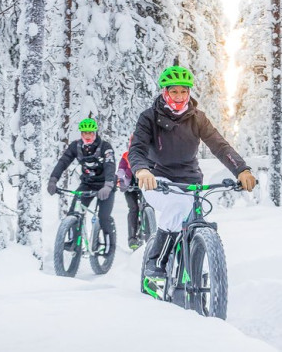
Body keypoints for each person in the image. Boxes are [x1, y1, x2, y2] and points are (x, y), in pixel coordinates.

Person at [129, 65, 256, 278]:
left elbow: (219, 145)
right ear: (164, 92)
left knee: (193, 218)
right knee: (176, 206)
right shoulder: (149, 117)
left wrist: (241, 169)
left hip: (190, 181)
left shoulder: (197, 118)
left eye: (184, 91)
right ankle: (156, 259)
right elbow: (138, 149)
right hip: (156, 179)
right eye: (174, 91)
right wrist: (142, 170)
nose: (179, 96)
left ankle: (192, 268)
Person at [47, 118, 116, 253]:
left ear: (95, 132)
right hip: (87, 184)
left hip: (105, 186)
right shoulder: (76, 146)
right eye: (85, 133)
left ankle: (109, 245)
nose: (88, 136)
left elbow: (110, 165)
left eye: (90, 133)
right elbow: (63, 162)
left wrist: (108, 185)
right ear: (81, 134)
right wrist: (53, 180)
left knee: (103, 216)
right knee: (73, 212)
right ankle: (74, 242)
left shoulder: (105, 147)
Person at [116, 134, 142, 250]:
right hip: (129, 186)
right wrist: (120, 181)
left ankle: (149, 231)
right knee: (134, 208)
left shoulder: (148, 154)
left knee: (147, 206)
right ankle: (132, 238)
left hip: (144, 185)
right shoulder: (126, 156)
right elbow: (121, 170)